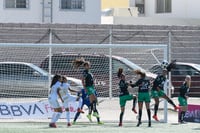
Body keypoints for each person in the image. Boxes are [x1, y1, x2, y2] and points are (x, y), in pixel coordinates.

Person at [73, 58, 103, 124]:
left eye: (89, 65)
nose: (89, 66)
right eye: (88, 65)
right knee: (93, 100)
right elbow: (82, 80)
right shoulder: (85, 72)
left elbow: (91, 80)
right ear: (85, 66)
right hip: (88, 87)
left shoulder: (89, 72)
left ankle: (91, 114)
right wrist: (85, 88)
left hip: (92, 87)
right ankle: (93, 113)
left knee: (94, 101)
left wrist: (94, 85)